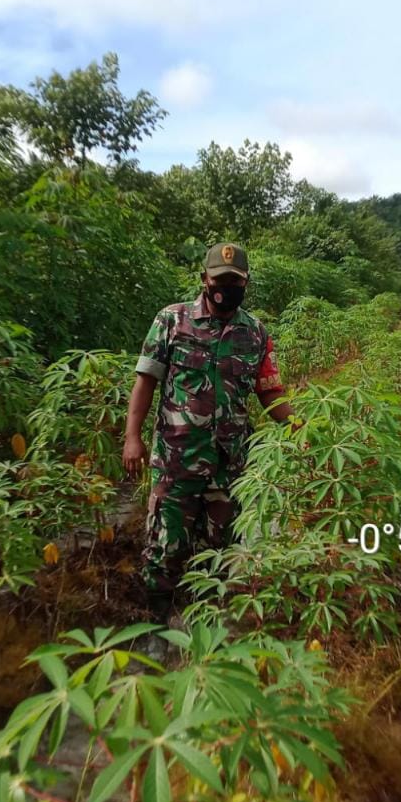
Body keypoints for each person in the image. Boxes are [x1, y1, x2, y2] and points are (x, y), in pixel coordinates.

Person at [123, 242, 298, 619]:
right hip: (176, 461)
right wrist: (132, 438)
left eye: (235, 281)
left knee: (220, 551)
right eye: (219, 280)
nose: (226, 287)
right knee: (165, 547)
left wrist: (302, 428)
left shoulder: (255, 333)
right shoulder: (172, 320)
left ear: (246, 283)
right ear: (204, 279)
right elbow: (146, 382)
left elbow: (270, 393)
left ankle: (206, 622)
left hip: (229, 465)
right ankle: (157, 623)